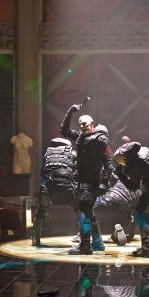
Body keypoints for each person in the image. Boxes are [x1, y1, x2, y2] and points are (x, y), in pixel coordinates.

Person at [60, 103, 116, 255]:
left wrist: (103, 183)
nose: (82, 126)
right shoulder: (80, 136)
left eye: (85, 123)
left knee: (83, 211)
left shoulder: (100, 139)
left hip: (92, 181)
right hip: (82, 180)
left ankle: (85, 245)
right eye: (80, 124)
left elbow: (109, 164)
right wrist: (70, 112)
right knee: (87, 211)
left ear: (92, 123)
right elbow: (64, 131)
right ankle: (97, 242)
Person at [31, 137, 78, 246]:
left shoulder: (47, 153)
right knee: (80, 209)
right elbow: (77, 171)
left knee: (41, 210)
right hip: (67, 185)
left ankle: (35, 238)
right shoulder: (72, 152)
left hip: (49, 186)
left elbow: (42, 172)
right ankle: (83, 236)